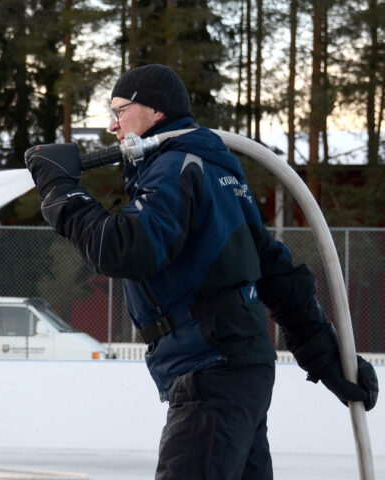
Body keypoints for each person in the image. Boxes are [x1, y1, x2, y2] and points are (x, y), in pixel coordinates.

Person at [24, 64, 378, 479]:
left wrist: (64, 195)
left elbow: (128, 249)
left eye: (119, 110)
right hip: (233, 368)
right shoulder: (209, 166)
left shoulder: (176, 167)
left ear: (155, 112)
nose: (111, 124)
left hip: (213, 371)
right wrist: (325, 354)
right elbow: (273, 270)